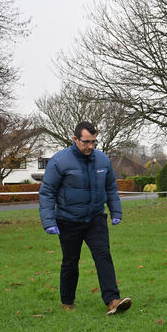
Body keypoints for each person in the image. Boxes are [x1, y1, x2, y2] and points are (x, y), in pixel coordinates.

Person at [39, 121, 132, 315]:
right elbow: (47, 192)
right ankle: (67, 301)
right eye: (86, 142)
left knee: (103, 257)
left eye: (93, 142)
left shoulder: (103, 160)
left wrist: (116, 212)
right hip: (68, 220)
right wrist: (48, 221)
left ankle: (112, 300)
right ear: (75, 139)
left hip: (95, 219)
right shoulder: (59, 161)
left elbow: (111, 189)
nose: (90, 146)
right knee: (70, 261)